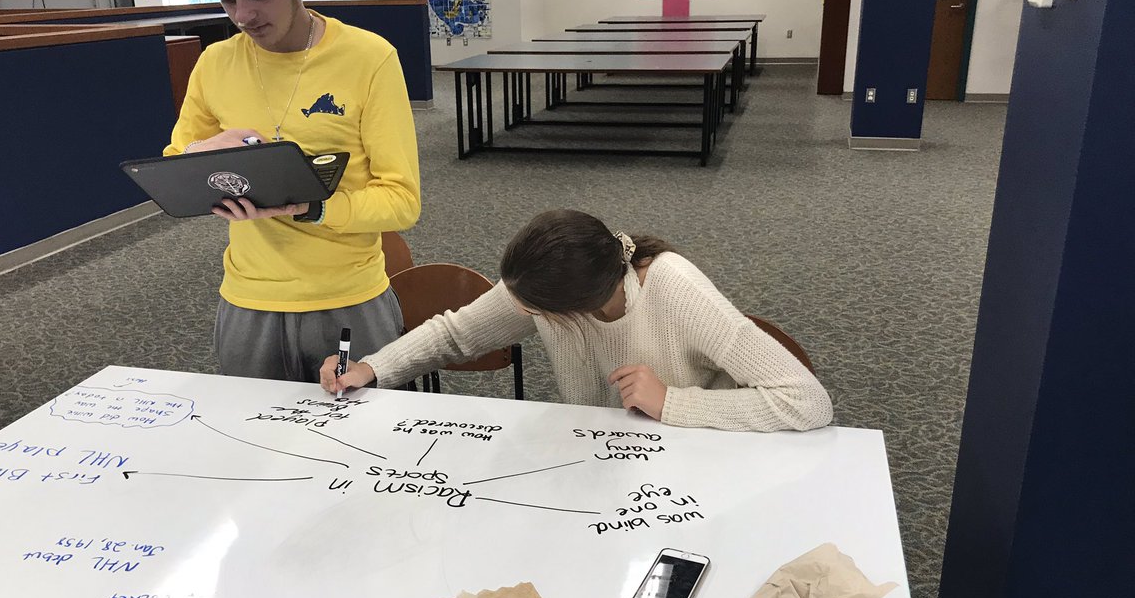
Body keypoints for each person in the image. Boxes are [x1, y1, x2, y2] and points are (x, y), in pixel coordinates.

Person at [164, 0, 420, 383]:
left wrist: (314, 207)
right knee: (260, 455)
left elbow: (402, 202)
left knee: (364, 452)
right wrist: (200, 153)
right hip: (247, 302)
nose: (243, 15)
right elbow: (178, 166)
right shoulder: (215, 63)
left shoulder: (369, 59)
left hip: (349, 300)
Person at [321, 210, 832, 433]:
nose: (517, 311)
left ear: (577, 307)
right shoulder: (545, 284)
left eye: (533, 312)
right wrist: (371, 368)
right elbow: (456, 334)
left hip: (688, 457)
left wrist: (671, 402)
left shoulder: (674, 289)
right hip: (602, 454)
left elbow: (807, 402)